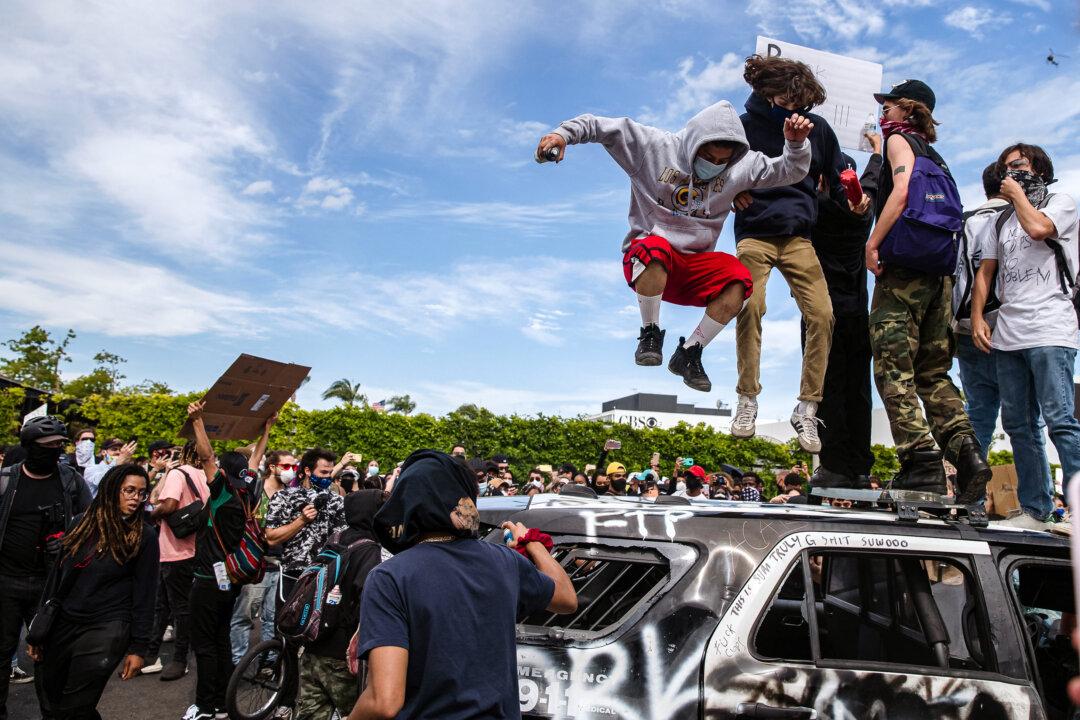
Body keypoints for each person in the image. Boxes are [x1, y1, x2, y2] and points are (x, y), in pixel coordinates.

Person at [537, 98, 813, 394]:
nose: (715, 166)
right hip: (648, 262)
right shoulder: (654, 147)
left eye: (723, 162)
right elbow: (600, 127)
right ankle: (650, 333)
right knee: (655, 248)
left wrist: (796, 145)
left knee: (740, 278)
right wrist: (562, 135)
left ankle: (690, 353)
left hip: (693, 269)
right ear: (694, 144)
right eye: (709, 157)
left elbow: (788, 171)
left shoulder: (740, 167)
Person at [348, 450, 576, 719]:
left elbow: (383, 702)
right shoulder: (505, 561)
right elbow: (566, 599)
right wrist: (533, 542)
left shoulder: (390, 577)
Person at [731, 54, 867, 453]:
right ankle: (746, 399)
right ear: (768, 94)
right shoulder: (743, 126)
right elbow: (717, 172)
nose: (799, 111)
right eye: (791, 102)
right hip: (754, 232)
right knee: (749, 306)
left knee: (823, 315)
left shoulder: (818, 129)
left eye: (804, 104)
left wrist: (855, 202)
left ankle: (807, 407)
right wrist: (732, 189)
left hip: (799, 237)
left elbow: (841, 177)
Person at [863, 79, 990, 502]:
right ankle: (968, 453)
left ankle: (921, 463)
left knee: (892, 366)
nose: (885, 114)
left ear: (908, 110)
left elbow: (900, 194)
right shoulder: (936, 155)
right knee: (934, 372)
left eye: (891, 106)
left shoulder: (899, 141)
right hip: (941, 273)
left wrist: (873, 242)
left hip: (903, 273)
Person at [971, 143, 1080, 528]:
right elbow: (986, 271)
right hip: (1009, 333)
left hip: (1050, 327)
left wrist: (1016, 194)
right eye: (1005, 169)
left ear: (1038, 168)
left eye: (1017, 165)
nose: (1010, 173)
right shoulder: (998, 222)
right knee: (1018, 424)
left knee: (1061, 420)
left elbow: (1038, 229)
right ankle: (1037, 509)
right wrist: (978, 315)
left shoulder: (1060, 202)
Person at [28, 464, 159, 720]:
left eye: (141, 493)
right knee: (49, 697)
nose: (136, 498)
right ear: (112, 490)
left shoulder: (145, 536)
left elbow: (146, 594)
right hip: (64, 621)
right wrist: (38, 630)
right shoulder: (82, 523)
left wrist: (138, 647)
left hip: (107, 628)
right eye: (129, 490)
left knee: (76, 705)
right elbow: (57, 577)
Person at [0, 415, 91, 720]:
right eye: (48, 446)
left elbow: (92, 525)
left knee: (52, 658)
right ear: (29, 447)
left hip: (51, 585)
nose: (55, 451)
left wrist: (70, 539)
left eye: (59, 446)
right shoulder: (5, 481)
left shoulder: (70, 481)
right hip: (6, 582)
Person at [806, 142, 883, 491]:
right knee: (859, 390)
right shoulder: (862, 209)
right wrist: (878, 151)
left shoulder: (816, 209)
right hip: (858, 311)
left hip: (824, 313)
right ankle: (860, 465)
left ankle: (835, 464)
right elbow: (872, 178)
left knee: (828, 387)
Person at [183, 401, 257, 720]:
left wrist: (199, 421)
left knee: (204, 644)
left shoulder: (223, 493)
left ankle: (204, 705)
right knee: (221, 638)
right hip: (230, 579)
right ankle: (224, 700)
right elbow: (253, 456)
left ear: (223, 473)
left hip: (207, 580)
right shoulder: (246, 495)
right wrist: (264, 431)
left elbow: (206, 456)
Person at [296, 490, 384, 720]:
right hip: (340, 654)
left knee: (310, 712)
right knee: (352, 713)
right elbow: (366, 598)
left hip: (312, 643)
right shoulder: (369, 549)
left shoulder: (335, 538)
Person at [954, 162, 1013, 455]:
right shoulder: (1015, 218)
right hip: (1010, 327)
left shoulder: (962, 221)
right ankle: (1037, 499)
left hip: (966, 328)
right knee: (1027, 421)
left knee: (977, 417)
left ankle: (972, 495)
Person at [145, 440, 209, 681]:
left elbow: (168, 503)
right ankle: (151, 654)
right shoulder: (204, 476)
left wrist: (151, 516)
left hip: (174, 549)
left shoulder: (177, 474)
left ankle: (178, 659)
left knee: (174, 608)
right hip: (195, 549)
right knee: (170, 605)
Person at [265, 448, 345, 611]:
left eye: (330, 473)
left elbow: (342, 540)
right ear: (307, 470)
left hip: (325, 575)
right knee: (286, 626)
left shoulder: (337, 501)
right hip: (293, 573)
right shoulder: (284, 498)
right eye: (323, 472)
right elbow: (271, 538)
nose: (327, 477)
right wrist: (301, 520)